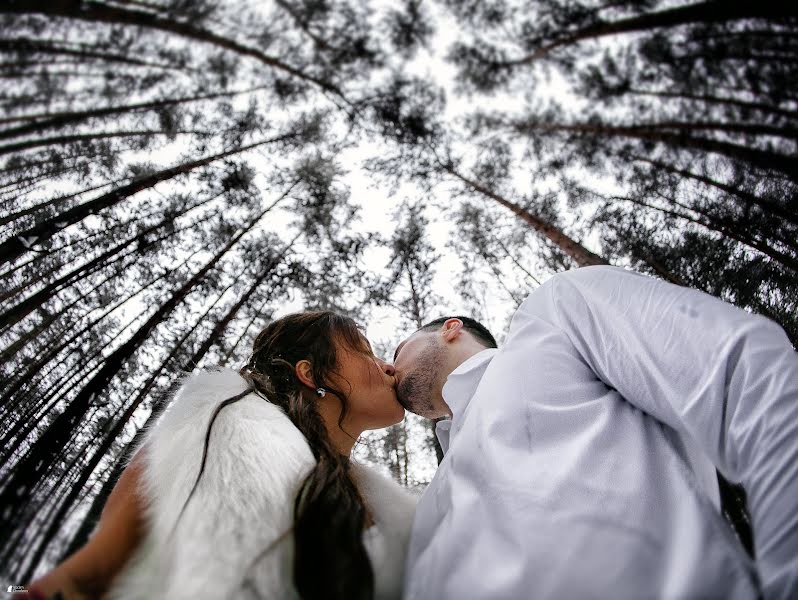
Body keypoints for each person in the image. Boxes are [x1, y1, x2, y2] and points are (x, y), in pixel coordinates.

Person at [392, 265, 798, 600]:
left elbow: (747, 373)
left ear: (450, 328)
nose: (389, 368)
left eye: (396, 352)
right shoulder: (426, 504)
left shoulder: (549, 319)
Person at [24, 311, 416, 600]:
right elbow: (84, 578)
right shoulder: (215, 426)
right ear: (310, 375)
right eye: (365, 352)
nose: (386, 366)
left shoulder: (390, 511)